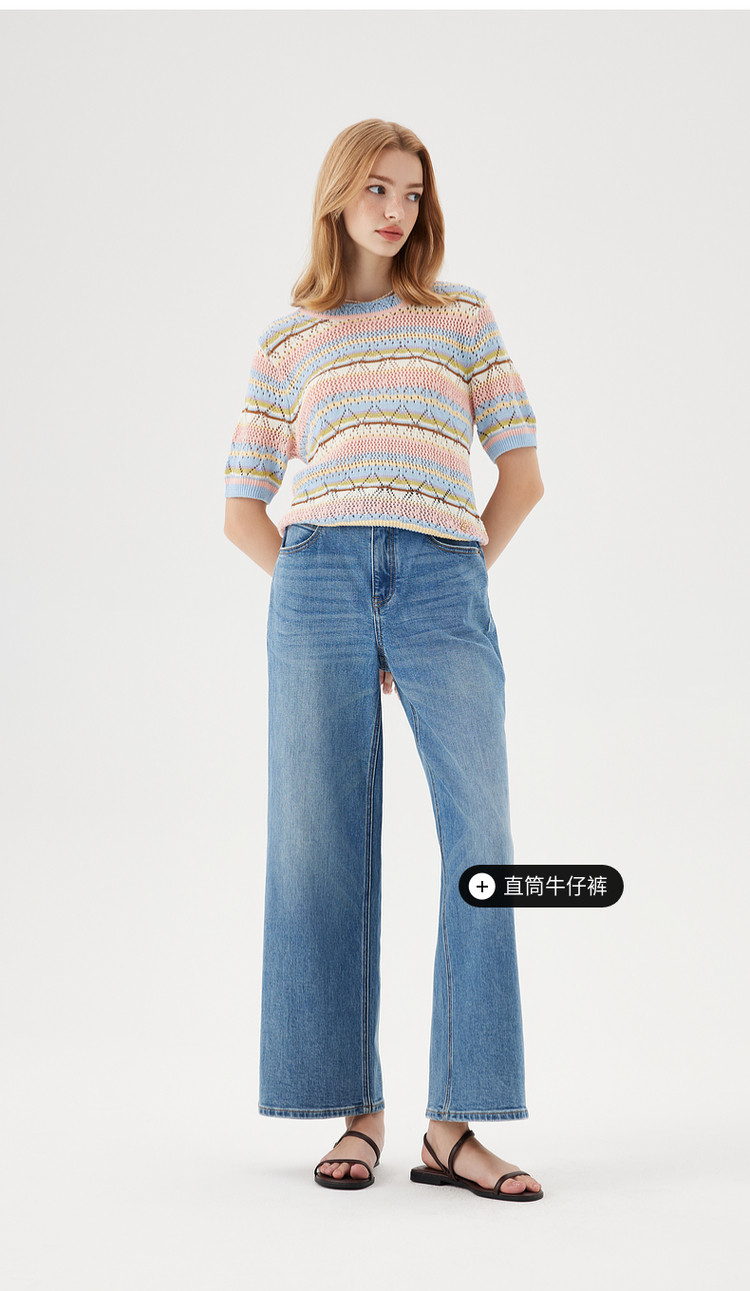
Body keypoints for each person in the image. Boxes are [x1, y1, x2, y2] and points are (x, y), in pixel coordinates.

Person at [223, 119, 545, 1202]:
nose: (397, 209)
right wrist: (331, 605)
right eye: (376, 187)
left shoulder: (462, 317)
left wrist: (454, 584)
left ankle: (454, 1126)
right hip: (317, 579)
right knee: (317, 841)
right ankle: (353, 1109)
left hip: (444, 577)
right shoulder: (289, 340)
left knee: (483, 838)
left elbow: (522, 475)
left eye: (411, 192)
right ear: (337, 196)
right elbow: (241, 507)